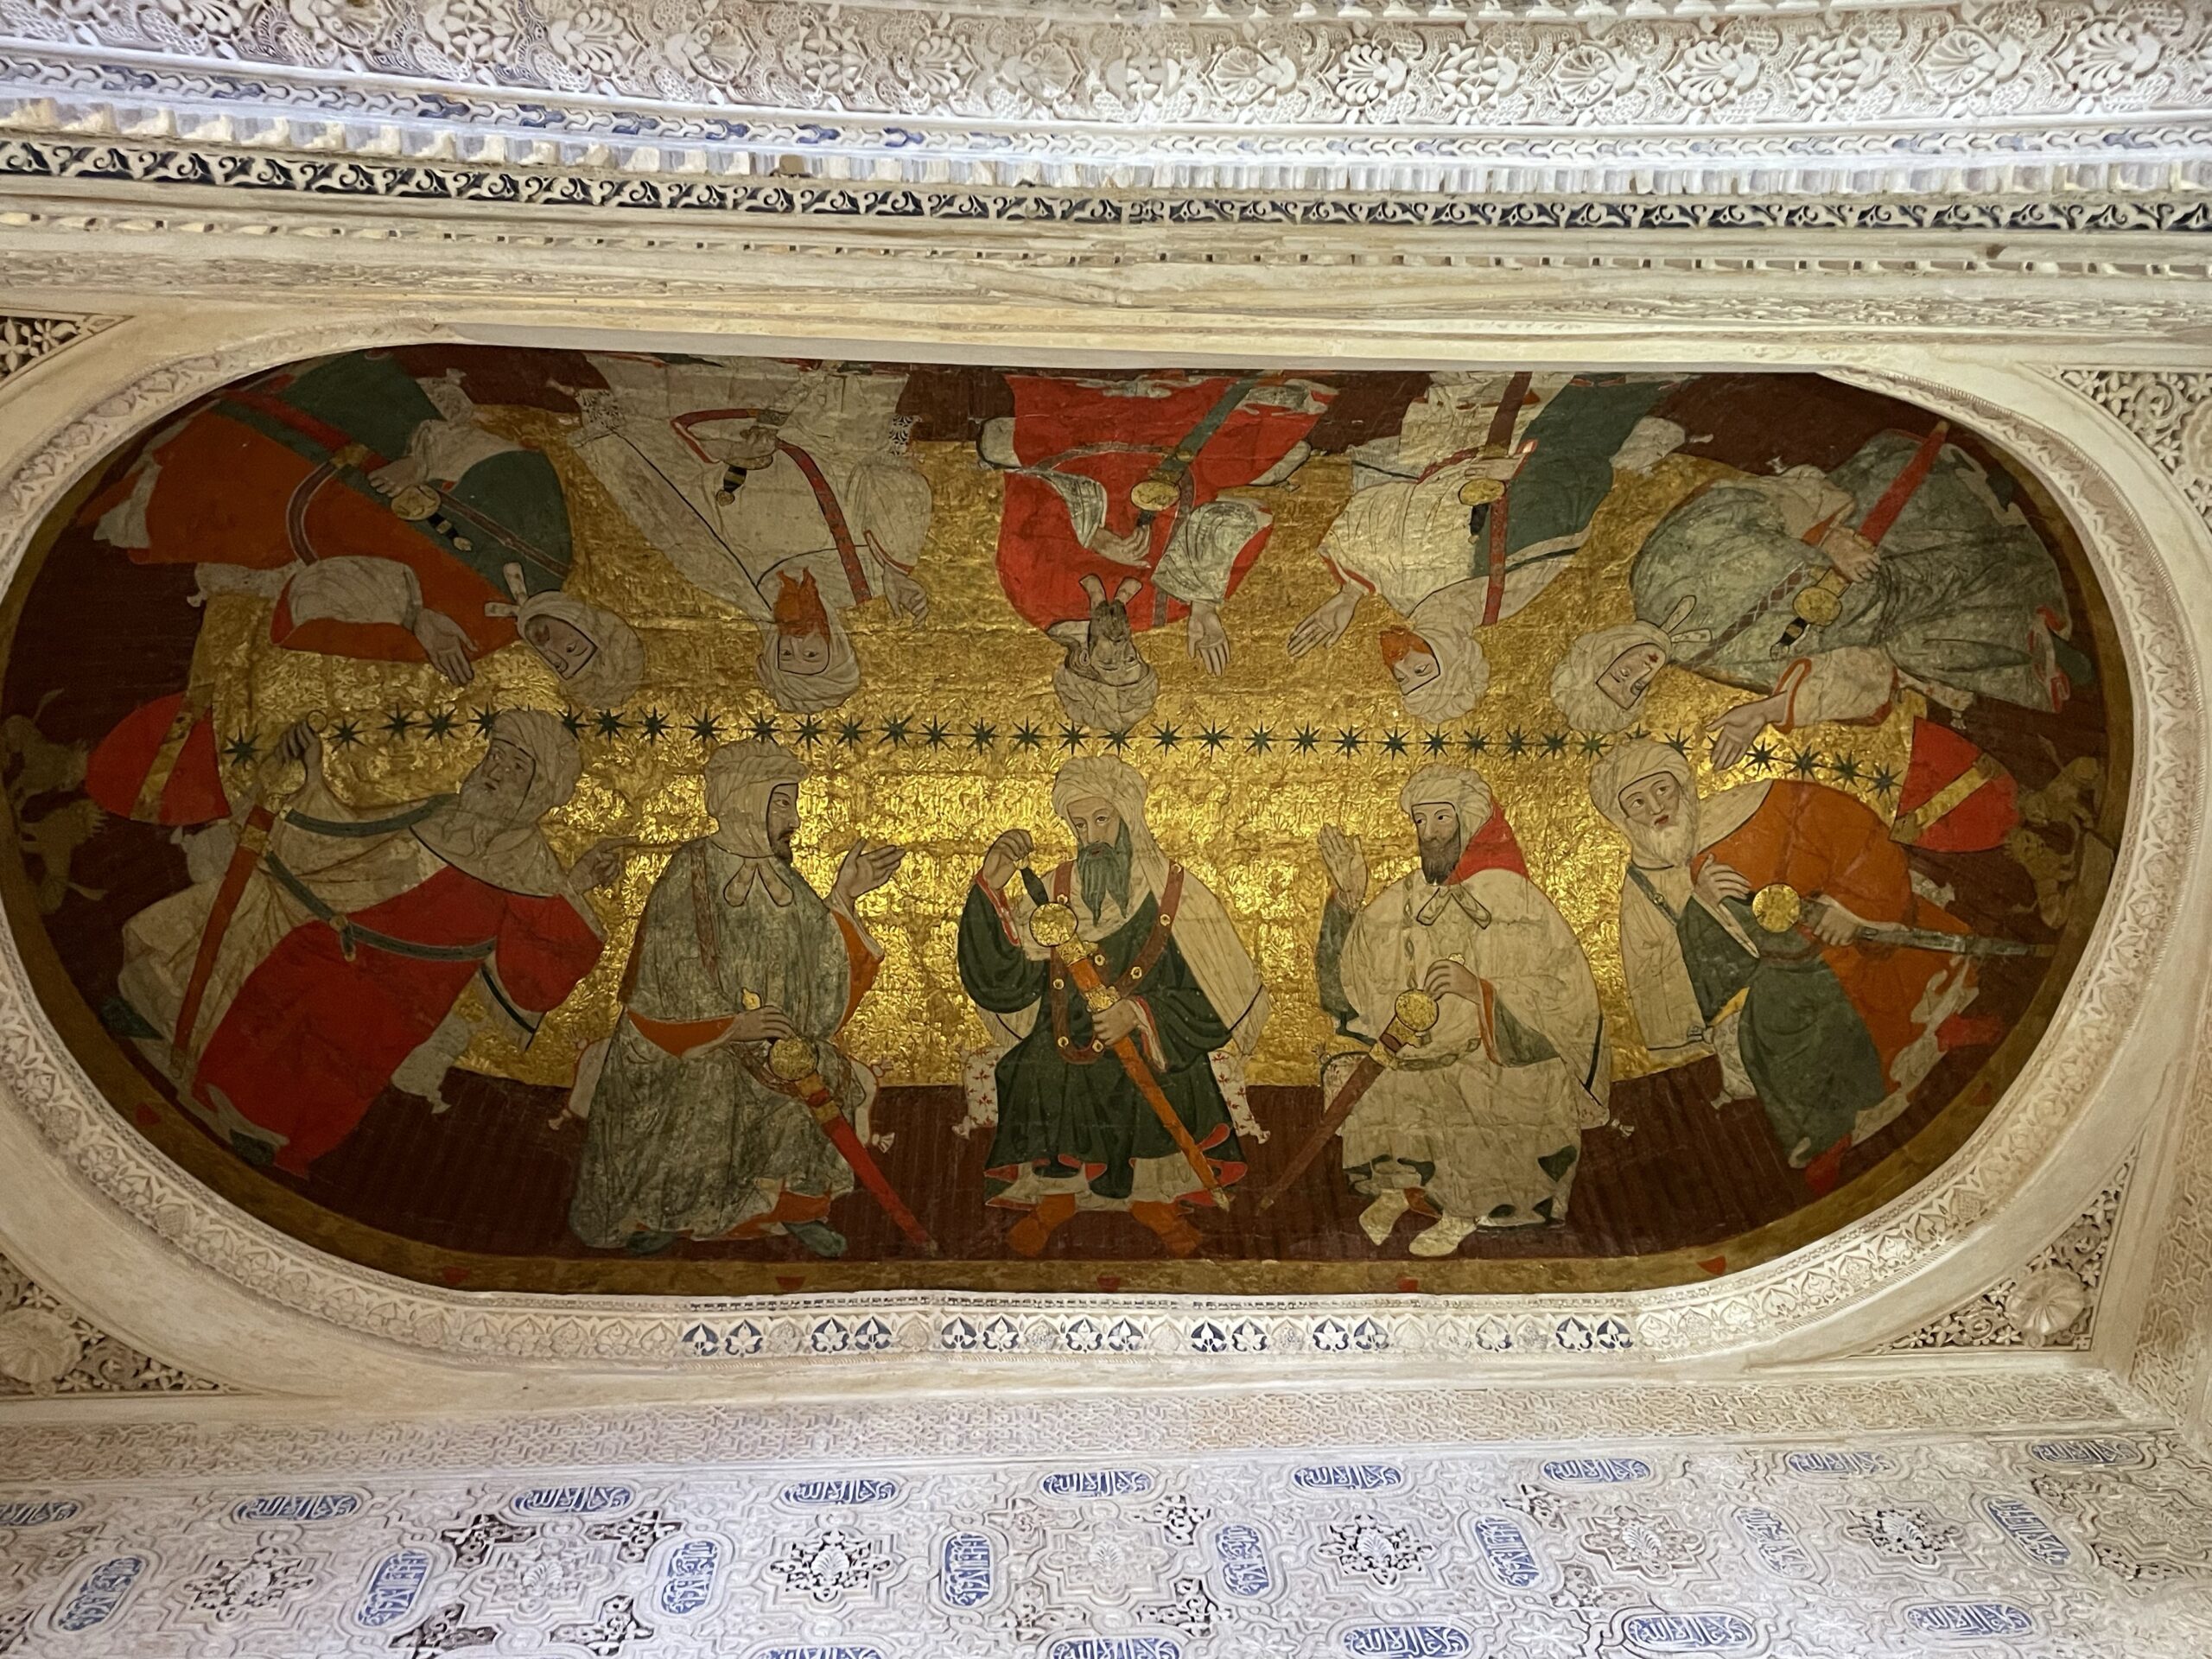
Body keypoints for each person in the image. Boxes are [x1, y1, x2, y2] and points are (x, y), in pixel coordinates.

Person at [116, 709, 625, 1175]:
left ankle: (268, 1135)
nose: (496, 770)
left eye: (516, 768)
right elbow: (354, 836)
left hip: (404, 991)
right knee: (270, 956)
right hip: (336, 939)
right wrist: (314, 775)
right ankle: (194, 1064)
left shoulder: (531, 865)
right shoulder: (439, 810)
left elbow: (537, 971)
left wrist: (574, 886)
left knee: (338, 1053)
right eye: (497, 755)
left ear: (539, 793)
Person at [86, 353, 642, 708]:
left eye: (560, 663)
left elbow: (309, 610)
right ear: (590, 622)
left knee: (149, 502)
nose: (554, 648)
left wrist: (411, 616)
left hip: (294, 514)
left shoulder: (466, 645)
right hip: (366, 441)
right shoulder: (550, 550)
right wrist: (421, 461)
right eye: (575, 646)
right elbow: (517, 468)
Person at [1589, 739, 1988, 1193]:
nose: (1656, 808)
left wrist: (1848, 906)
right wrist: (1701, 908)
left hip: (1837, 934)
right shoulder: (1642, 887)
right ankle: (1828, 1133)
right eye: (1637, 803)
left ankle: (1941, 1028)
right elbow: (1653, 976)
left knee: (1868, 962)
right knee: (1777, 1018)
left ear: (1683, 784)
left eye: (1662, 789)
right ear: (1622, 818)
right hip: (1763, 984)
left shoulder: (1756, 805)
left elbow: (1852, 831)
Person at [568, 739, 905, 1256]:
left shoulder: (788, 883)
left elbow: (823, 973)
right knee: (711, 1077)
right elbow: (666, 975)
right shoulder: (691, 869)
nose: (795, 820)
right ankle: (670, 1209)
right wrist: (731, 1028)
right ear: (747, 800)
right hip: (686, 1040)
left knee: (808, 1065)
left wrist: (844, 896)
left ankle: (795, 1209)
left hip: (767, 1038)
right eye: (783, 803)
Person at [1548, 429, 2081, 748]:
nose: (1640, 673)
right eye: (1635, 688)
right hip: (1889, 601)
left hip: (1856, 531)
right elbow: (1835, 669)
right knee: (1936, 647)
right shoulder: (1708, 663)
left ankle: (1994, 490)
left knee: (1940, 507)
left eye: (1620, 673)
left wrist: (1824, 537)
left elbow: (1731, 504)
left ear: (1604, 649)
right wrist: (1767, 711)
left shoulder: (1655, 576)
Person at [957, 757, 1268, 1258]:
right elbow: (1005, 982)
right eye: (1079, 824)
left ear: (1129, 817)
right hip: (1064, 1041)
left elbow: (1212, 994)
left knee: (1164, 1073)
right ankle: (1057, 1197)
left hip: (1152, 1040)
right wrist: (991, 886)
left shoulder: (1175, 892)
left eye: (1102, 819)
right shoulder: (1052, 892)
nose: (1091, 836)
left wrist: (1140, 1015)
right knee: (1039, 1066)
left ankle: (1152, 1200)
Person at [1314, 766, 1609, 1253]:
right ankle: (1406, 1191)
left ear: (1468, 822)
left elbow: (1563, 990)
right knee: (1381, 1072)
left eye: (1442, 818)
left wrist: (1480, 991)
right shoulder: (1407, 894)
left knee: (1473, 1083)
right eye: (1421, 820)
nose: (1429, 833)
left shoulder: (1513, 897)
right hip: (1420, 1049)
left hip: (1495, 1053)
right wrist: (1346, 901)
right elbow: (1347, 981)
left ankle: (1466, 1208)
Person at [1289, 374, 1683, 720]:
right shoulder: (1503, 595)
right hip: (1543, 424)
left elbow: (1378, 509)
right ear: (1453, 658)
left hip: (1459, 431)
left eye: (1401, 677)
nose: (1403, 662)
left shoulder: (1405, 597)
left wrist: (1349, 594)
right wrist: (1524, 468)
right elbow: (1572, 500)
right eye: (1421, 671)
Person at [572, 356, 931, 713]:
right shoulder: (865, 577)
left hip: (722, 420)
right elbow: (881, 477)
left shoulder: (730, 579)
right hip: (828, 417)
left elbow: (674, 496)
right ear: (836, 645)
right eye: (811, 654)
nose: (797, 641)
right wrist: (895, 564)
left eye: (786, 654)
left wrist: (732, 458)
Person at [982, 371, 1331, 722]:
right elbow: (1251, 515)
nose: (1123, 646)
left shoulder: (1032, 597)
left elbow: (1028, 496)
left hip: (1082, 445)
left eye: (1110, 661)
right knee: (1275, 439)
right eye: (1132, 658)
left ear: (1083, 660)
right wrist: (1203, 603)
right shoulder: (1166, 609)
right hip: (1179, 454)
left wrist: (1094, 536)